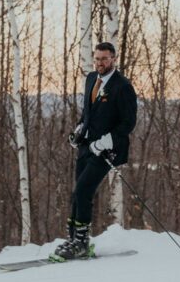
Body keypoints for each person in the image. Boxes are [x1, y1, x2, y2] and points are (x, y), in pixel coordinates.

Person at [53, 42, 137, 261]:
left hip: (106, 151)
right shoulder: (91, 79)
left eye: (105, 59)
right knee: (78, 194)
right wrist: (79, 131)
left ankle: (81, 243)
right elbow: (88, 114)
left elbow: (128, 123)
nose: (100, 63)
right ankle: (74, 239)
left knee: (83, 190)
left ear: (113, 59)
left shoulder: (123, 86)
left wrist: (104, 142)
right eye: (97, 59)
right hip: (86, 146)